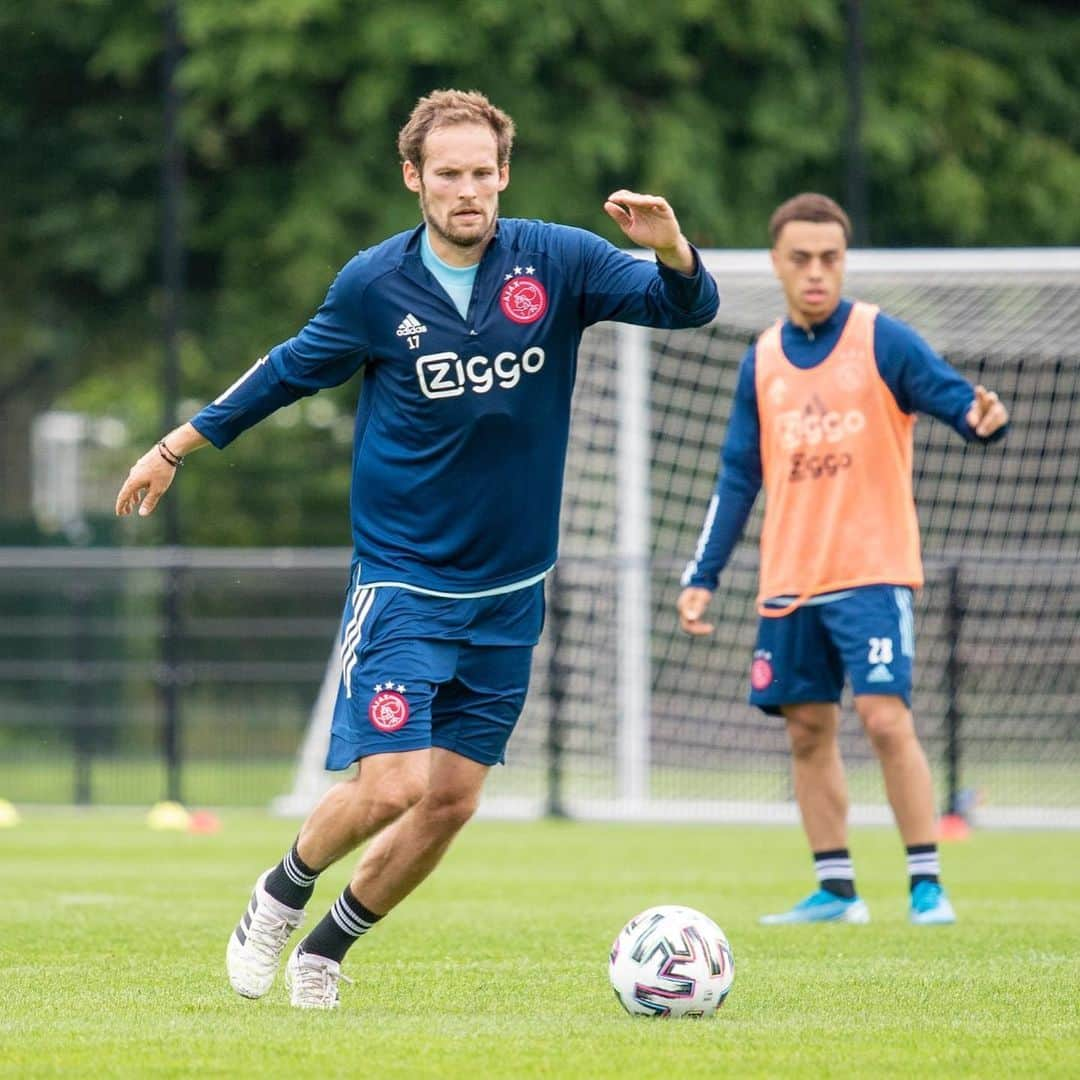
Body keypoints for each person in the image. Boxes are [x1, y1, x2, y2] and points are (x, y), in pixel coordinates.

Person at [116, 89, 719, 1009]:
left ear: (503, 174)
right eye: (449, 174)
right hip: (404, 580)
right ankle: (277, 898)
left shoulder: (559, 261)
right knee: (393, 785)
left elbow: (684, 308)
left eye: (483, 173)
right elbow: (282, 373)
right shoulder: (373, 286)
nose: (468, 189)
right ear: (415, 178)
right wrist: (174, 448)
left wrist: (671, 247)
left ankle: (324, 951)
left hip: (512, 592)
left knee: (452, 802)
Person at [677, 192, 1008, 927]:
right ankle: (836, 891)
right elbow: (737, 476)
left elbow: (957, 400)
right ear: (778, 264)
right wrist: (703, 576)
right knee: (806, 729)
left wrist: (982, 419)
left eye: (830, 258)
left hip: (872, 570)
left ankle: (926, 883)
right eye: (802, 259)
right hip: (790, 578)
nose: (817, 272)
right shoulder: (759, 360)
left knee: (886, 719)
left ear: (843, 261)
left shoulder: (881, 339)